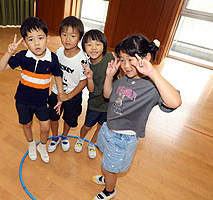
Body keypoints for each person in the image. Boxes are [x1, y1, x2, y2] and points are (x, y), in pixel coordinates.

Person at [91, 34, 182, 200]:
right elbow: (107, 95)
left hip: (122, 139)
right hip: (108, 129)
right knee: (106, 162)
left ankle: (109, 190)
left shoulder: (152, 86)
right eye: (122, 60)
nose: (125, 66)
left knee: (109, 167)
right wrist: (110, 76)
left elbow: (175, 102)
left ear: (146, 57)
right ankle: (107, 178)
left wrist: (152, 73)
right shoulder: (124, 79)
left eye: (130, 60)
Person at [0, 17, 63, 163]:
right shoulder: (22, 56)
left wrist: (60, 96)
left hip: (41, 102)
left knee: (45, 128)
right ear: (25, 43)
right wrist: (9, 53)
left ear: (48, 39)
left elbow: (58, 77)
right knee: (26, 124)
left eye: (40, 38)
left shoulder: (52, 58)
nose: (37, 43)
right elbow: (1, 67)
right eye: (31, 39)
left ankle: (42, 146)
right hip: (22, 101)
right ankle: (31, 144)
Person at [47, 16, 89, 152]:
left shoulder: (83, 59)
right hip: (56, 92)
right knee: (53, 117)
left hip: (73, 95)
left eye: (72, 36)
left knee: (69, 119)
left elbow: (84, 81)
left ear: (79, 38)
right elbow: (54, 72)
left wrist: (69, 96)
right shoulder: (59, 52)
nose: (67, 39)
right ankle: (55, 137)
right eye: (64, 35)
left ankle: (64, 136)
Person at [74, 29, 117, 159]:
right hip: (94, 103)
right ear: (84, 48)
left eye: (98, 44)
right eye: (89, 44)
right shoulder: (86, 65)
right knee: (87, 126)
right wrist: (90, 77)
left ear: (104, 46)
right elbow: (91, 90)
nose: (93, 48)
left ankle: (92, 143)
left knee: (100, 127)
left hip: (109, 104)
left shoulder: (111, 58)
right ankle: (81, 139)